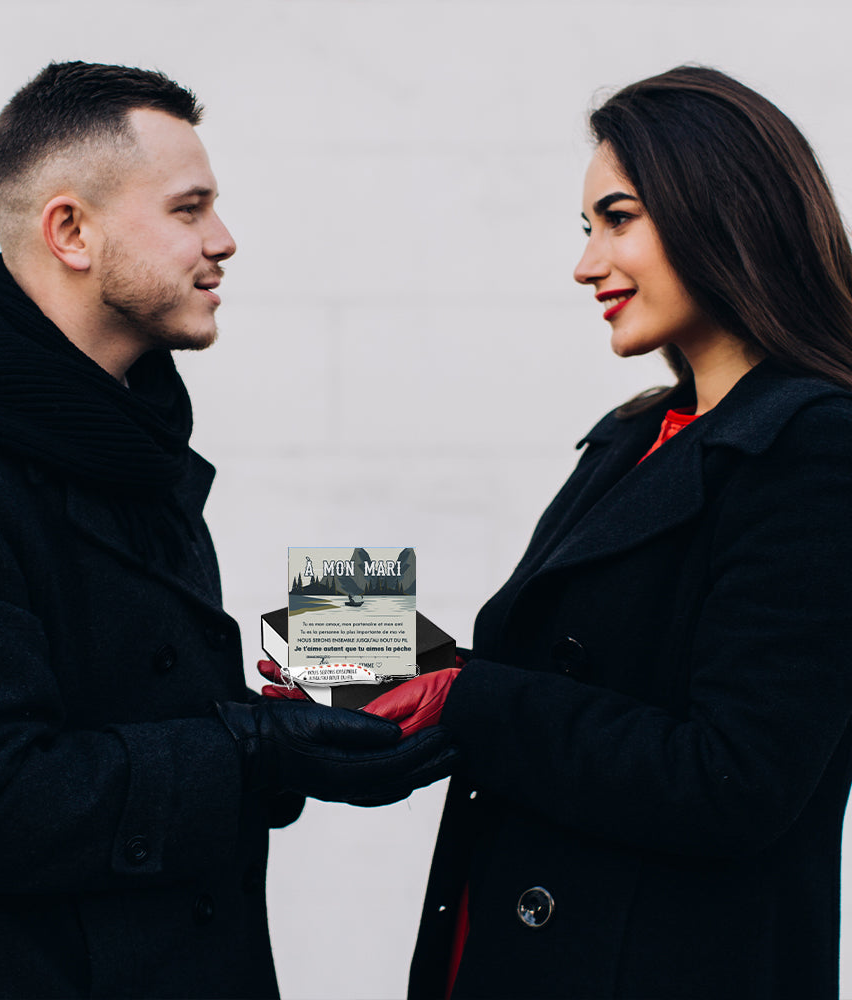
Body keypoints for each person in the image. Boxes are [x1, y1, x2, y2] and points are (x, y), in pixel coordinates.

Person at [0, 61, 455, 1000]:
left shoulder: (128, 438)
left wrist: (327, 696)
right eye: (189, 209)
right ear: (72, 231)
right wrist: (256, 750)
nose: (225, 240)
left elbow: (141, 689)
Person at [365, 66, 852, 998]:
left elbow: (736, 778)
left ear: (724, 210)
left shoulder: (816, 446)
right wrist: (384, 667)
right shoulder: (635, 435)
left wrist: (465, 698)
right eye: (587, 228)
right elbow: (550, 679)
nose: (587, 264)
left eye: (618, 219)